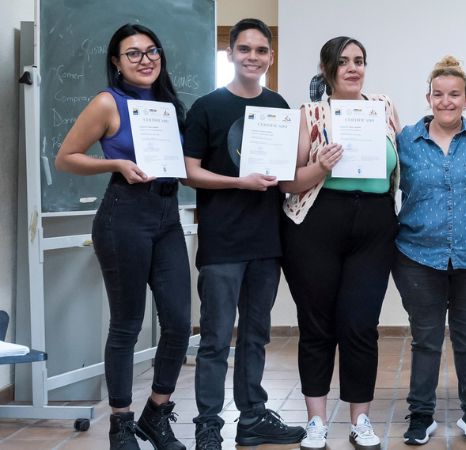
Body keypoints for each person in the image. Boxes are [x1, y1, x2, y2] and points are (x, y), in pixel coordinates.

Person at [55, 23, 191, 450]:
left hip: (167, 214)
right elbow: (66, 158)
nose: (145, 59)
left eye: (152, 51)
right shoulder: (107, 102)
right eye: (133, 54)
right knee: (127, 324)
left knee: (179, 324)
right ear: (116, 61)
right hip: (124, 214)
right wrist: (115, 165)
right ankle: (120, 424)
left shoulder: (168, 103)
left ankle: (156, 413)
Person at [182, 18, 305, 450]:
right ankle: (208, 425)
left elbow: (288, 174)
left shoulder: (279, 105)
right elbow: (188, 172)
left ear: (269, 57)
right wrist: (240, 182)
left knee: (257, 335)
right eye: (245, 49)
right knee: (216, 338)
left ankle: (252, 418)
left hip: (267, 243)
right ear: (231, 53)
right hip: (222, 243)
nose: (253, 57)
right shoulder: (206, 108)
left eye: (261, 50)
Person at [281, 36, 400, 450]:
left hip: (374, 223)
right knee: (317, 325)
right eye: (344, 61)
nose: (353, 68)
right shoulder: (310, 113)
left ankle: (360, 419)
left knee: (361, 324)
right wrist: (320, 165)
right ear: (328, 68)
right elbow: (287, 181)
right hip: (317, 222)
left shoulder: (383, 108)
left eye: (360, 61)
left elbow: (400, 164)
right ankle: (316, 422)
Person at [393, 56, 466, 446]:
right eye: (438, 94)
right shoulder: (405, 139)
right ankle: (421, 416)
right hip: (417, 255)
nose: (446, 101)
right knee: (426, 339)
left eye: (454, 95)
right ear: (428, 97)